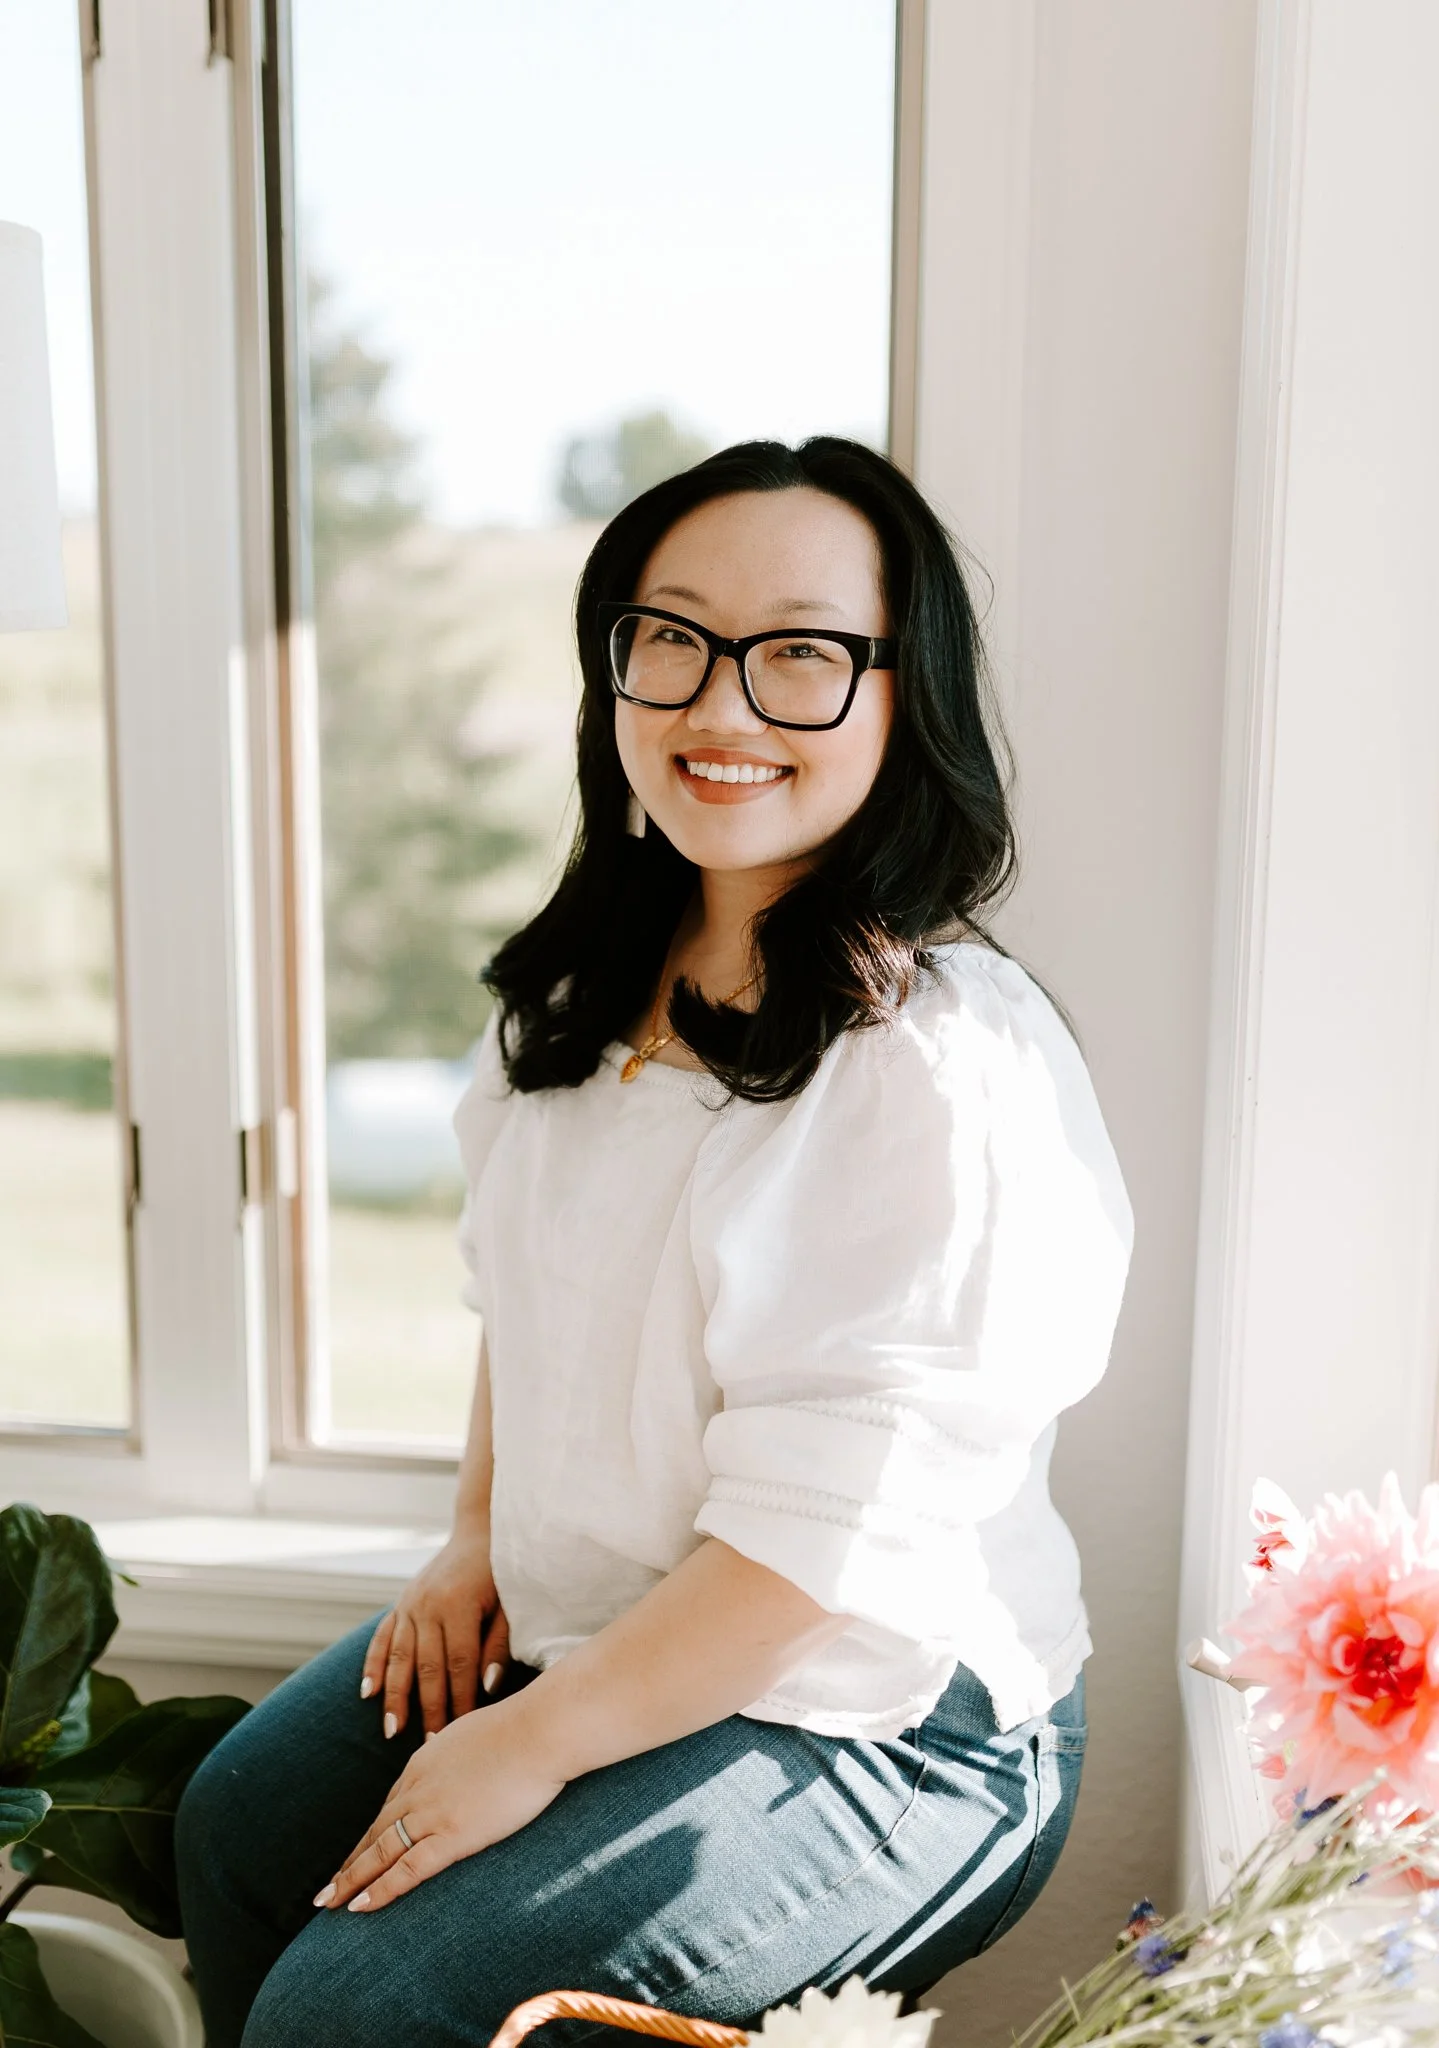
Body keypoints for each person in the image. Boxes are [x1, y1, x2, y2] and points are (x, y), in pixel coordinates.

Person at [176, 438, 1132, 2048]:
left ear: (906, 701)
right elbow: (526, 1314)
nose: (722, 706)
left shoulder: (931, 1061)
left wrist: (535, 1740)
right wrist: (475, 1537)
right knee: (237, 1825)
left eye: (803, 655)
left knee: (356, 2013)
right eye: (672, 638)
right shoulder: (571, 996)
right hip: (602, 1629)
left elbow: (818, 1543)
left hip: (879, 1714)